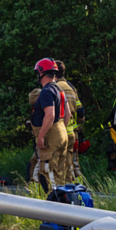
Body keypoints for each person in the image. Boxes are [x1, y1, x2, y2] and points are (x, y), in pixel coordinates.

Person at [30, 58, 69, 193]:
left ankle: (54, 204)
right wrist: (60, 130)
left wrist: (41, 136)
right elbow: (67, 114)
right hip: (62, 131)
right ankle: (63, 205)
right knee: (60, 173)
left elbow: (50, 115)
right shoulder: (60, 89)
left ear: (41, 73)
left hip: (51, 135)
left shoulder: (47, 91)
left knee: (48, 173)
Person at [55, 60, 85, 181]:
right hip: (73, 132)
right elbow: (81, 111)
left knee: (60, 163)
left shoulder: (55, 87)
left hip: (60, 132)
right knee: (74, 163)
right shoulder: (71, 87)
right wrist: (79, 127)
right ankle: (79, 187)